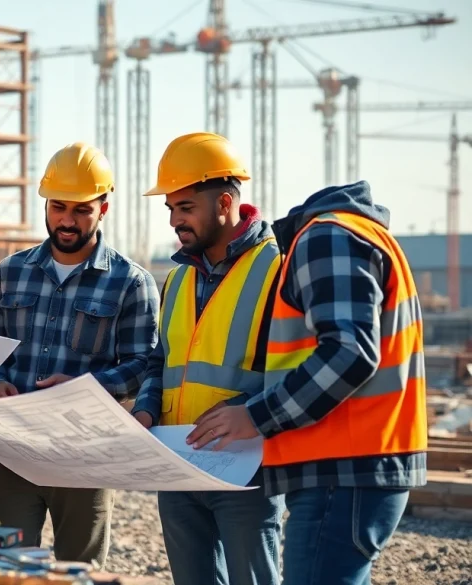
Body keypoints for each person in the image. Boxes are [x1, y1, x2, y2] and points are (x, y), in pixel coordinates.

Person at [186, 179, 428, 585]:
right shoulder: (359, 232)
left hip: (341, 469)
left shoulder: (326, 235)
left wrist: (256, 415)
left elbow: (350, 353)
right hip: (360, 464)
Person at [0, 142, 160, 567]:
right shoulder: (10, 273)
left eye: (81, 210)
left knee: (80, 571)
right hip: (14, 449)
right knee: (4, 568)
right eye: (58, 207)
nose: (67, 220)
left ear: (103, 208)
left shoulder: (131, 283)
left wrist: (85, 388)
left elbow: (145, 364)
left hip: (85, 455)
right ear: (45, 204)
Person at [129, 132, 284, 585]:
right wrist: (145, 408)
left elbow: (293, 368)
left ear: (225, 203)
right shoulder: (177, 278)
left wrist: (248, 411)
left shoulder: (276, 267)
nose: (175, 220)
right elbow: (161, 359)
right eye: (171, 208)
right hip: (178, 464)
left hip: (248, 467)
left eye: (185, 207)